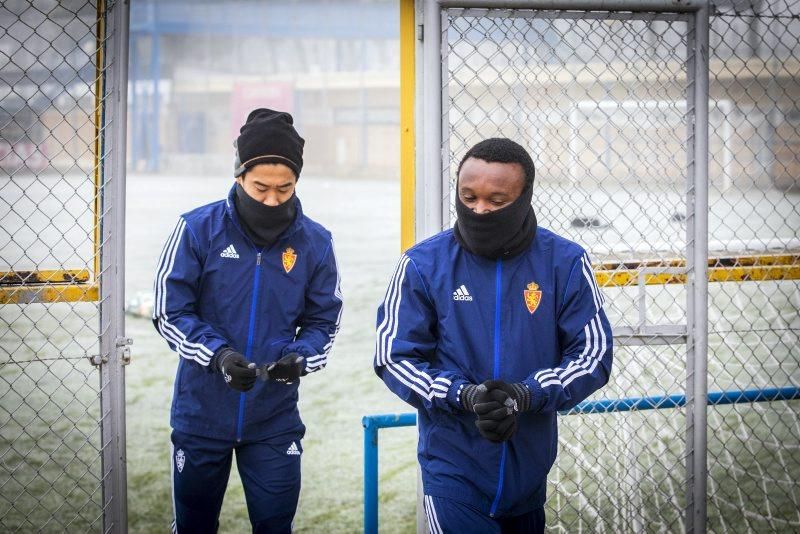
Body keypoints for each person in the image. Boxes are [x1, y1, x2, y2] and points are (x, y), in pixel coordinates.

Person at [374, 138, 612, 533]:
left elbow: (592, 354)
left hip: (529, 476)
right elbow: (393, 357)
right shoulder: (421, 263)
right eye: (468, 198)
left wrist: (526, 395)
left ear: (524, 198)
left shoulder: (565, 261)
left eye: (496, 201)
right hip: (453, 473)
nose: (479, 210)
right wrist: (462, 395)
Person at [153, 108, 343, 533]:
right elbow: (169, 311)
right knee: (194, 526)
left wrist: (300, 358)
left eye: (285, 188)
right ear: (239, 175)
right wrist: (218, 356)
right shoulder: (196, 230)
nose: (273, 200)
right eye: (260, 188)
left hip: (273, 420)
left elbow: (323, 321)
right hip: (201, 416)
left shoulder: (316, 242)